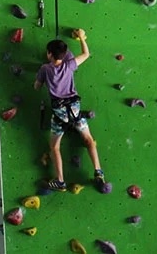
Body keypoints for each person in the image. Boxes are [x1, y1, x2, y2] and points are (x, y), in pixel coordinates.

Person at [33, 28, 105, 192]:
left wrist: (40, 80)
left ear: (50, 54)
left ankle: (60, 181)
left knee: (55, 147)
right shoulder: (70, 65)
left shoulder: (45, 69)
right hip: (74, 110)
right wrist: (81, 37)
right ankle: (98, 172)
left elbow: (36, 87)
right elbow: (86, 54)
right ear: (64, 55)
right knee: (88, 140)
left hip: (59, 113)